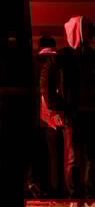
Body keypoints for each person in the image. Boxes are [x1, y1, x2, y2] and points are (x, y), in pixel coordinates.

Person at [60, 16, 95, 207]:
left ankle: (87, 196)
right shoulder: (64, 57)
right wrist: (58, 108)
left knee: (88, 157)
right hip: (74, 115)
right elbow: (49, 83)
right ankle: (77, 197)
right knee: (75, 158)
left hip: (85, 114)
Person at [36, 36, 64, 198]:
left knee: (41, 153)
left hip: (38, 115)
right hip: (54, 114)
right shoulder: (57, 60)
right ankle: (57, 188)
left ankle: (41, 185)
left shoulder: (35, 61)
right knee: (56, 153)